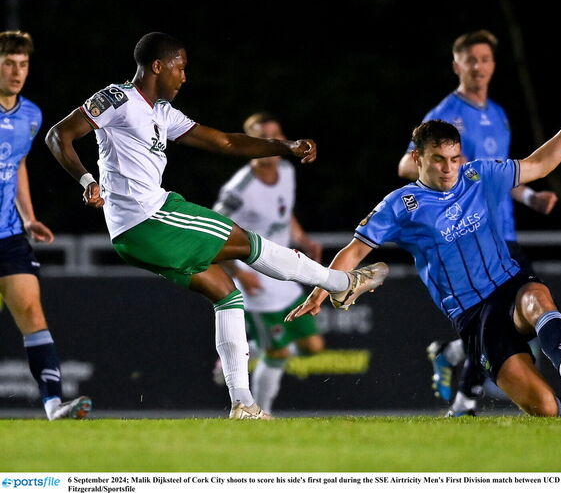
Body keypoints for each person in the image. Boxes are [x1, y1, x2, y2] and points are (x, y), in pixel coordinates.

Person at [45, 32, 387, 420]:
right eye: (180, 67)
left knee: (228, 295)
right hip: (150, 218)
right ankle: (342, 284)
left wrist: (284, 147)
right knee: (250, 244)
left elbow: (224, 142)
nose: (184, 77)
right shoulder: (118, 99)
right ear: (157, 66)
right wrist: (86, 180)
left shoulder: (162, 112)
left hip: (136, 232)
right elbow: (59, 135)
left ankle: (243, 402)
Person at [288, 81, 561, 417]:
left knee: (535, 296)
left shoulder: (479, 174)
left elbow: (540, 164)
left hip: (509, 286)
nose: (449, 168)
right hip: (472, 315)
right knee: (544, 408)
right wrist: (323, 289)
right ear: (417, 158)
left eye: (454, 158)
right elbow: (355, 251)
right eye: (438, 159)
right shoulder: (401, 205)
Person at [397, 29, 559, 416]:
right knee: (509, 313)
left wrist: (530, 196)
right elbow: (407, 165)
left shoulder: (498, 115)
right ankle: (465, 395)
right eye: (472, 60)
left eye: (486, 59)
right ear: (458, 66)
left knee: (510, 314)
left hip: (503, 232)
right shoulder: (446, 115)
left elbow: (496, 176)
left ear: (493, 65)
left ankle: (456, 366)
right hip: (469, 235)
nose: (479, 67)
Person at [0, 30, 91, 420]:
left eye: (22, 64)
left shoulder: (31, 115)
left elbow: (17, 163)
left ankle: (54, 404)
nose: (16, 71)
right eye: (8, 63)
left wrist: (29, 216)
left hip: (8, 235)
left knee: (32, 313)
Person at [212, 112, 325, 416]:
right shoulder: (239, 190)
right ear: (251, 144)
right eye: (264, 138)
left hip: (284, 271)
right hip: (256, 277)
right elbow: (214, 234)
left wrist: (302, 238)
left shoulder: (287, 170)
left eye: (276, 135)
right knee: (280, 351)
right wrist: (238, 274)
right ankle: (261, 412)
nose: (273, 143)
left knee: (313, 346)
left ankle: (251, 345)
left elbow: (283, 212)